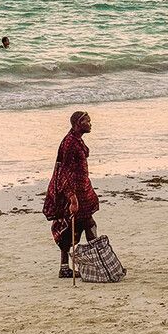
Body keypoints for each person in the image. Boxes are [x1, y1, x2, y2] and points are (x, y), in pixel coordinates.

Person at [42, 110, 99, 278]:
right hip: (72, 192)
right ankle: (93, 262)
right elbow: (65, 171)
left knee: (84, 224)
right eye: (87, 121)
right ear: (77, 124)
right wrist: (72, 198)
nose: (90, 124)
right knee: (79, 225)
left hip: (82, 189)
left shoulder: (77, 141)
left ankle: (70, 265)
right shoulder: (69, 143)